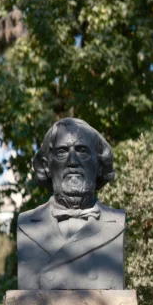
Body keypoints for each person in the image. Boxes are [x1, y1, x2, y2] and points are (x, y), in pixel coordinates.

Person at [17, 117, 125, 290]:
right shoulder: (27, 224)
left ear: (98, 164)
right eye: (62, 152)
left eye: (82, 151)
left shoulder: (117, 222)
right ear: (47, 166)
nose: (72, 161)